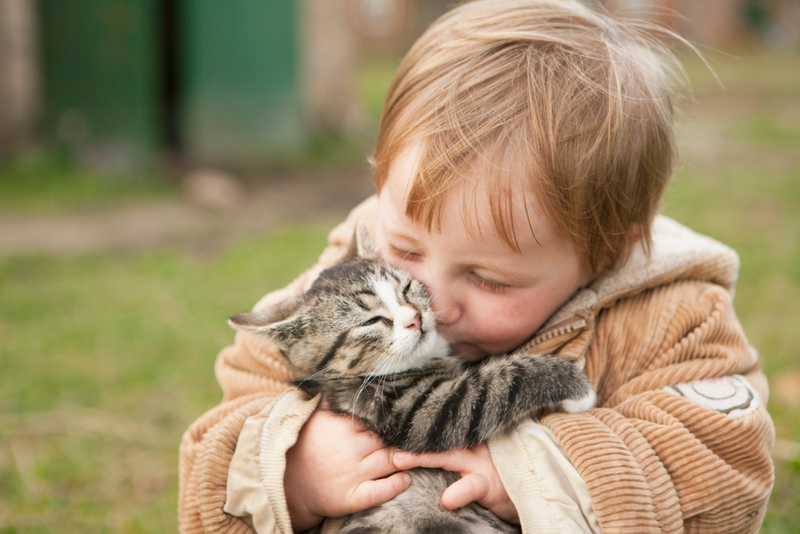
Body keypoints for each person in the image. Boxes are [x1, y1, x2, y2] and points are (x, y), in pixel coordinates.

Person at [178, 1, 775, 532]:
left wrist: (534, 472)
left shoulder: (677, 317)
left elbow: (726, 469)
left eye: (489, 278)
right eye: (406, 251)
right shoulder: (332, 294)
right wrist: (290, 469)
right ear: (378, 185)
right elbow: (213, 457)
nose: (428, 302)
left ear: (607, 251)